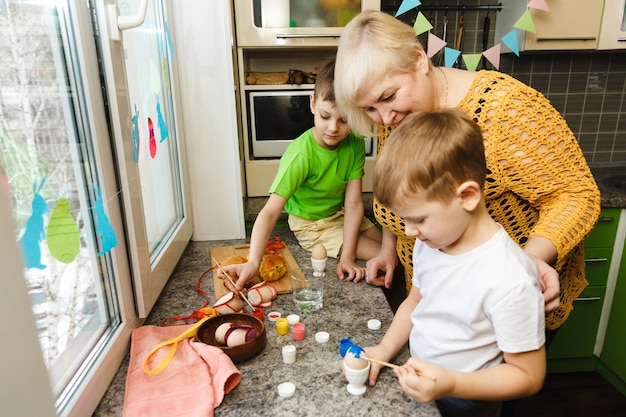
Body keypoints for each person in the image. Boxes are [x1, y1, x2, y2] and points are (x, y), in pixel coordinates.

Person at [334, 10, 600, 339]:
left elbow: (576, 195)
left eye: (388, 97)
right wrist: (389, 250)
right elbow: (405, 198)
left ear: (419, 59)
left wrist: (527, 263)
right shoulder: (400, 116)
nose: (384, 117)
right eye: (370, 108)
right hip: (437, 303)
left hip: (502, 304)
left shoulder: (504, 110)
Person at [363, 110, 546, 417]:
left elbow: (528, 376)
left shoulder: (509, 278)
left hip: (468, 402)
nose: (408, 231)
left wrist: (450, 384)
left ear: (468, 196)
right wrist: (383, 350)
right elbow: (416, 301)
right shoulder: (431, 242)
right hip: (421, 382)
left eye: (417, 218)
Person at [221, 58, 382, 291]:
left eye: (344, 120)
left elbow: (355, 202)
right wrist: (253, 262)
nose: (333, 128)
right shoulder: (301, 155)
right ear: (313, 103)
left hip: (340, 214)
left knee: (391, 248)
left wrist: (347, 255)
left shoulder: (354, 143)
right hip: (312, 226)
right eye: (325, 116)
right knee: (382, 255)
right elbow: (270, 211)